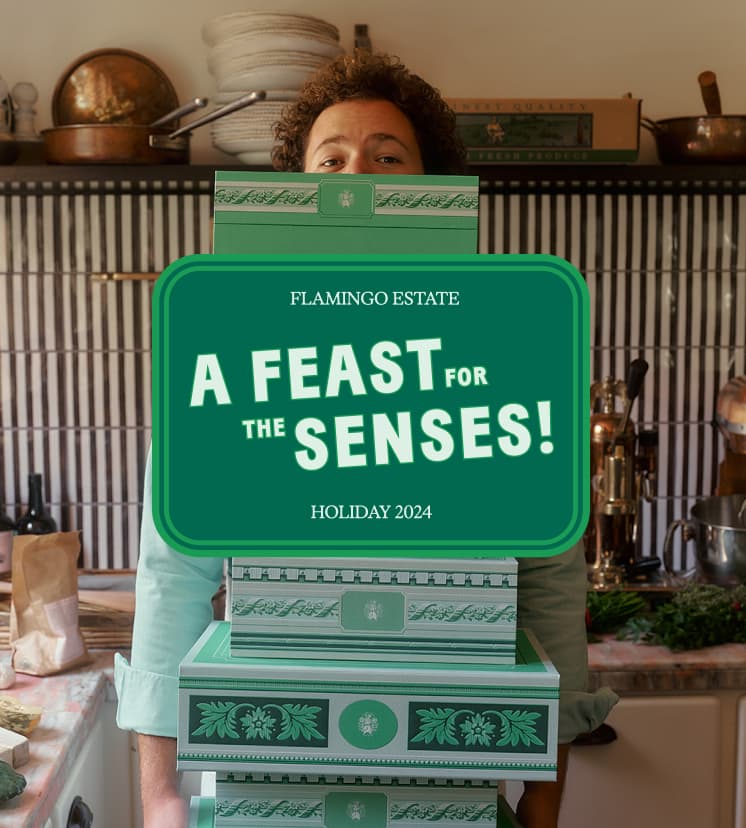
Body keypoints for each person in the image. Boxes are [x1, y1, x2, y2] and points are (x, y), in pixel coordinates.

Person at [115, 51, 617, 828]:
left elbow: (550, 584)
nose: (356, 179)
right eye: (331, 160)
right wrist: (159, 803)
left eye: (388, 157)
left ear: (437, 191)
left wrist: (542, 802)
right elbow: (170, 577)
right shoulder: (235, 353)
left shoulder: (499, 351)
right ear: (293, 195)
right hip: (267, 785)